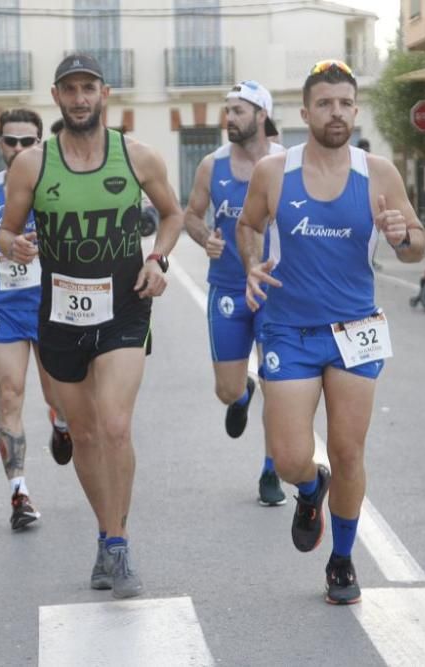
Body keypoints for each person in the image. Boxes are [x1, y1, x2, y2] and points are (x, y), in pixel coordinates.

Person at [237, 60, 425, 605]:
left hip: (355, 330)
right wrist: (252, 263)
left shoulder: (379, 173)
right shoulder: (275, 171)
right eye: (325, 103)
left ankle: (341, 560)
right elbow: (249, 225)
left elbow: (416, 245)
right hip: (288, 330)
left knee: (347, 451)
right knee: (292, 454)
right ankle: (308, 488)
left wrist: (401, 235)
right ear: (305, 112)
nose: (336, 112)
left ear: (355, 109)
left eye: (345, 102)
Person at [0, 53, 183, 599]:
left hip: (124, 308)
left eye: (89, 88)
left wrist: (158, 260)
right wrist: (19, 244)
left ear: (105, 94)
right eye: (70, 89)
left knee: (116, 425)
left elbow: (171, 216)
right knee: (83, 434)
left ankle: (118, 544)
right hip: (61, 313)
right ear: (56, 97)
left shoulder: (137, 156)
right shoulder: (32, 164)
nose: (80, 98)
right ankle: (106, 533)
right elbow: (6, 233)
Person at [0, 108, 73, 531]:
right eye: (12, 141)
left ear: (41, 143)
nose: (20, 149)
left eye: (29, 142)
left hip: (53, 306)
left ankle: (61, 423)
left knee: (58, 396)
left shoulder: (58, 185)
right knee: (9, 394)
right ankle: (19, 493)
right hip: (5, 307)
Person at [183, 80, 287, 507]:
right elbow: (190, 214)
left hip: (276, 291)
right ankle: (242, 394)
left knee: (279, 383)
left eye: (238, 111)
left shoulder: (286, 163)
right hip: (227, 286)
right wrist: (205, 235)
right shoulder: (212, 165)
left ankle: (271, 470)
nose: (229, 118)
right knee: (226, 391)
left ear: (261, 115)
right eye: (227, 111)